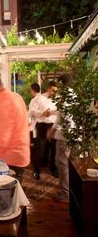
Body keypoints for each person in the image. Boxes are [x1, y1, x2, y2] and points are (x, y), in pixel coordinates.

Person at [47, 74, 73, 202]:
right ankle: (68, 190)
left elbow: (62, 118)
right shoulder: (73, 95)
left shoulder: (65, 97)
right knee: (65, 163)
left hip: (64, 135)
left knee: (61, 163)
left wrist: (52, 131)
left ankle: (66, 193)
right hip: (70, 134)